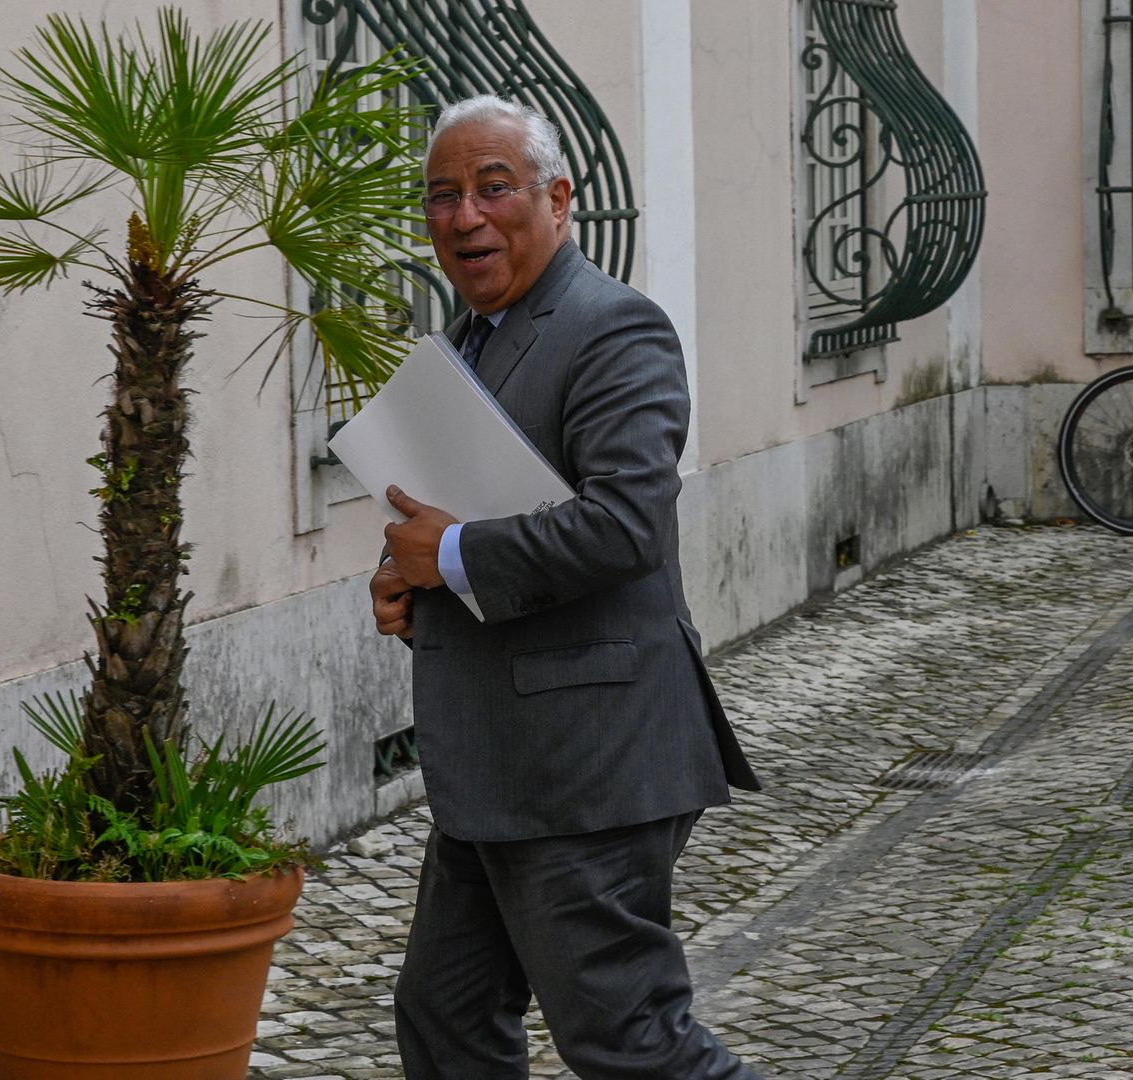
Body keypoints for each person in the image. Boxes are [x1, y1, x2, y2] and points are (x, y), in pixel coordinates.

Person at [369, 94, 764, 1080]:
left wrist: (451, 555)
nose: (464, 217)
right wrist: (409, 576)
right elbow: (472, 519)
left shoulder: (612, 327)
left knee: (631, 1046)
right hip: (497, 765)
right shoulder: (467, 342)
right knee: (446, 1016)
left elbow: (625, 523)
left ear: (560, 198)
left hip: (585, 763)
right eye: (442, 196)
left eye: (492, 188)